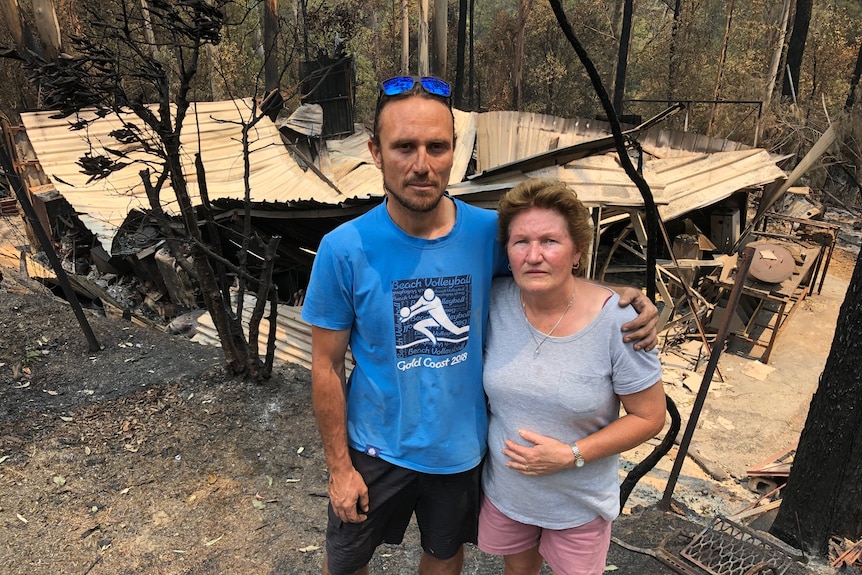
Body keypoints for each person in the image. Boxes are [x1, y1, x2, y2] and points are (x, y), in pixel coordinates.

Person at [300, 76, 659, 575]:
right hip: (374, 446)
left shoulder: (490, 234)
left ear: (455, 152)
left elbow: (545, 269)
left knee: (444, 556)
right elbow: (326, 364)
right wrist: (339, 468)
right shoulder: (344, 248)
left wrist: (618, 297)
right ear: (375, 152)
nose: (421, 164)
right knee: (345, 562)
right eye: (404, 146)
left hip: (460, 450)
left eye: (437, 146)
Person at [478, 178, 667, 575]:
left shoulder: (619, 321)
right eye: (520, 242)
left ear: (577, 251)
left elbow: (650, 417)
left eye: (550, 241)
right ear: (507, 253)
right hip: (509, 493)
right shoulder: (492, 302)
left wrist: (570, 455)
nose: (534, 255)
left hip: (578, 502)